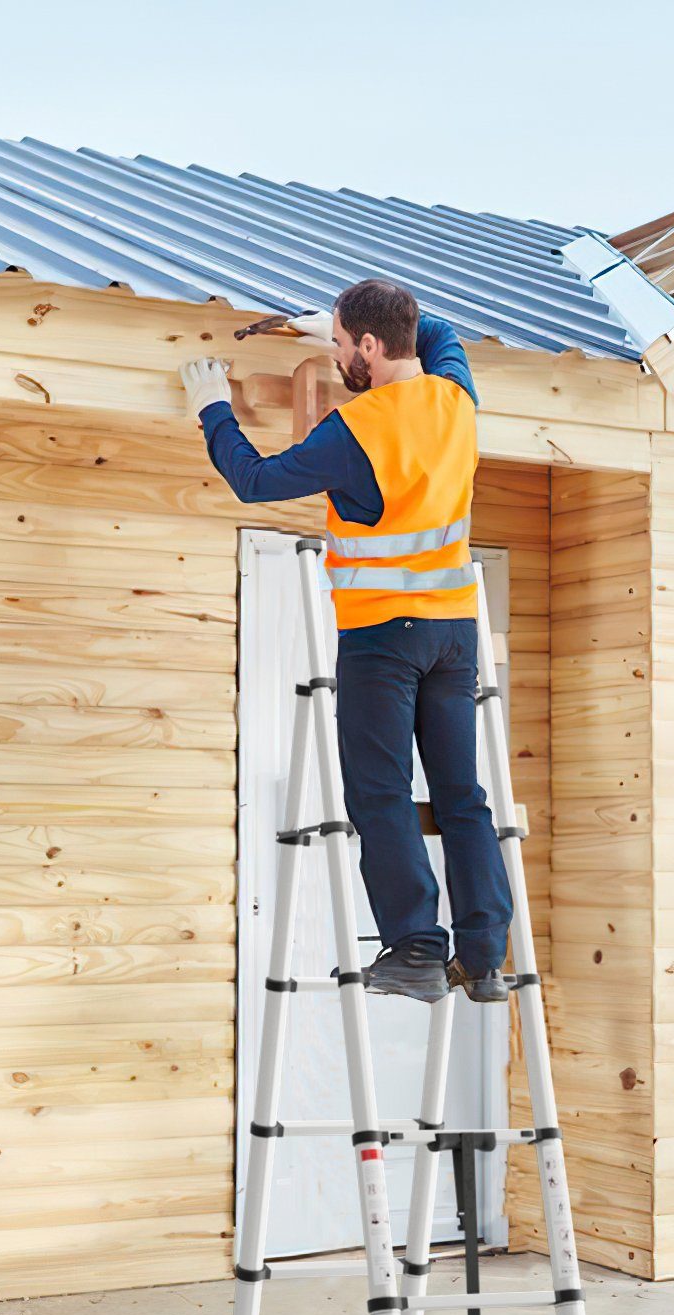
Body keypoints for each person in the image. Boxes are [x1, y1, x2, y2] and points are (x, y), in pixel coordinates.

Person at [179, 278, 513, 1003]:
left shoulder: (356, 431)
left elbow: (254, 480)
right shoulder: (455, 399)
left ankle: (418, 949)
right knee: (462, 797)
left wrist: (214, 410)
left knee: (380, 791)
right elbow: (439, 329)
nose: (333, 355)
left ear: (367, 346)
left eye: (339, 343)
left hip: (382, 640)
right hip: (454, 635)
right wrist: (327, 323)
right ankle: (485, 957)